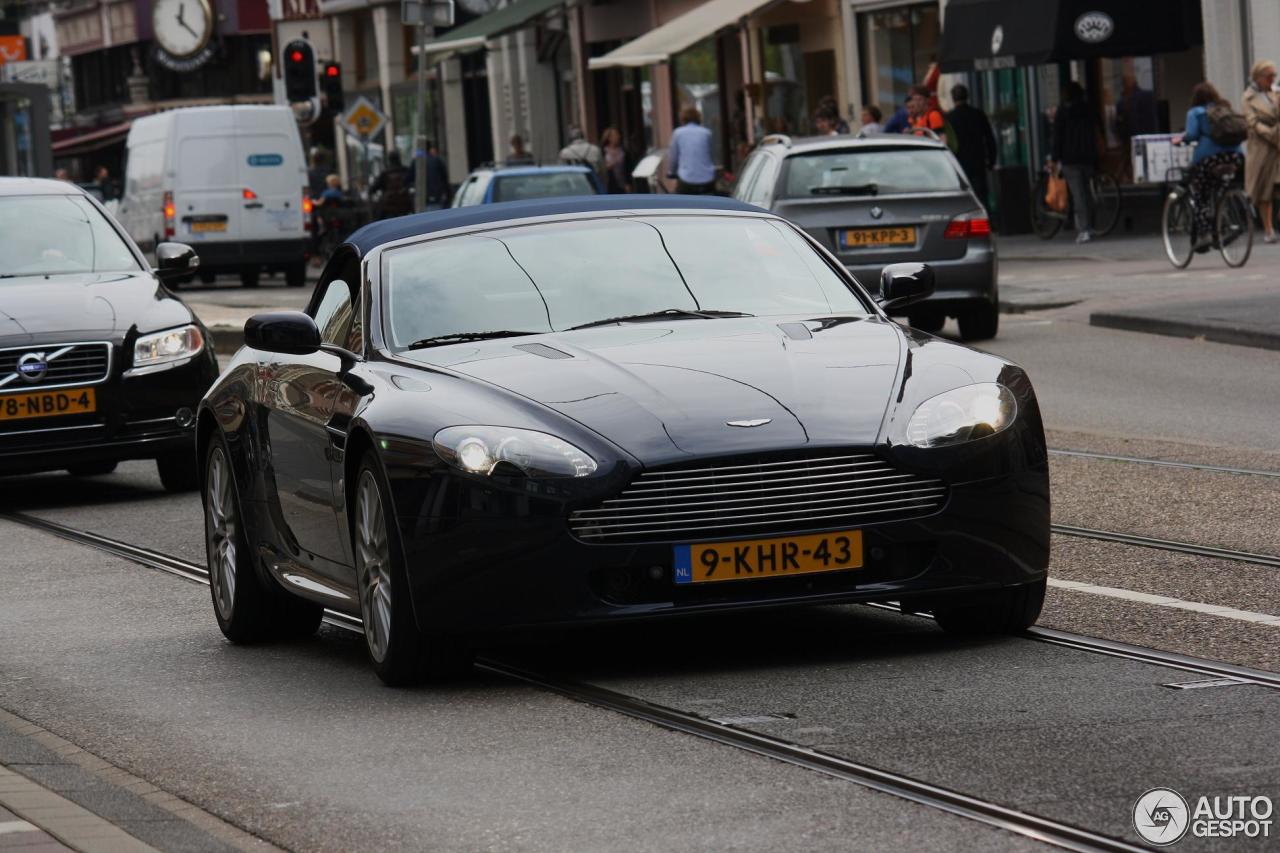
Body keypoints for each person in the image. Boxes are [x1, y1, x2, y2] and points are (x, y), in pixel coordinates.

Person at [1174, 82, 1245, 251]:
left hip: (1209, 158)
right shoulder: (1225, 107)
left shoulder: (1195, 112)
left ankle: (1204, 234)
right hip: (1235, 156)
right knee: (1221, 187)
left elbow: (1191, 135)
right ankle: (1227, 216)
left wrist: (1180, 140)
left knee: (1201, 194)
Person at [1050, 81, 1100, 244]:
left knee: (1078, 194)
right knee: (1086, 192)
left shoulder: (1063, 112)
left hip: (1070, 158)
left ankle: (1084, 229)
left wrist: (1055, 158)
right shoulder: (1088, 109)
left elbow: (1058, 136)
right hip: (1087, 156)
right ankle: (1091, 225)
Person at [1242, 60, 1280, 243]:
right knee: (1266, 190)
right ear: (1258, 77)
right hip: (1263, 148)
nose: (1272, 79)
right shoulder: (1248, 97)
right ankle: (1268, 228)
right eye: (1269, 76)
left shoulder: (1275, 93)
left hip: (1277, 144)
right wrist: (1270, 134)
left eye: (1274, 75)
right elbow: (1252, 122)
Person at [946, 84, 998, 205]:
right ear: (967, 96)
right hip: (978, 161)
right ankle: (985, 220)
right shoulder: (978, 114)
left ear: (953, 98)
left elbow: (947, 143)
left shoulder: (949, 118)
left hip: (959, 163)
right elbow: (989, 139)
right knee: (981, 197)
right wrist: (991, 160)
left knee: (963, 198)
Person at [666, 105, 717, 194]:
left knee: (681, 202)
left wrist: (671, 172)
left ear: (682, 118)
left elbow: (674, 158)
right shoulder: (706, 133)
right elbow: (711, 155)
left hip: (687, 180)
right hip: (707, 179)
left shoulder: (678, 133)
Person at [370, 150, 413, 219]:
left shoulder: (385, 173)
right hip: (405, 206)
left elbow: (373, 188)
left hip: (389, 208)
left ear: (389, 160)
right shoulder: (406, 170)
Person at [600, 127, 630, 193]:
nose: (617, 137)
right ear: (609, 138)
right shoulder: (603, 151)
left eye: (618, 135)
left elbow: (628, 168)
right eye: (614, 135)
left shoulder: (623, 151)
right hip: (609, 183)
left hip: (622, 184)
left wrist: (628, 183)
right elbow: (600, 167)